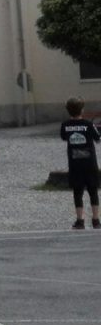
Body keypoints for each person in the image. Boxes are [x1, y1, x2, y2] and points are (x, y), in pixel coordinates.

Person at [60, 97, 101, 230]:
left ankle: (80, 220)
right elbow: (98, 138)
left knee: (77, 192)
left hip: (75, 164)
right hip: (90, 163)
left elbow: (64, 137)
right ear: (82, 109)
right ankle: (96, 220)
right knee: (93, 191)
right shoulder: (88, 125)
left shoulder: (65, 125)